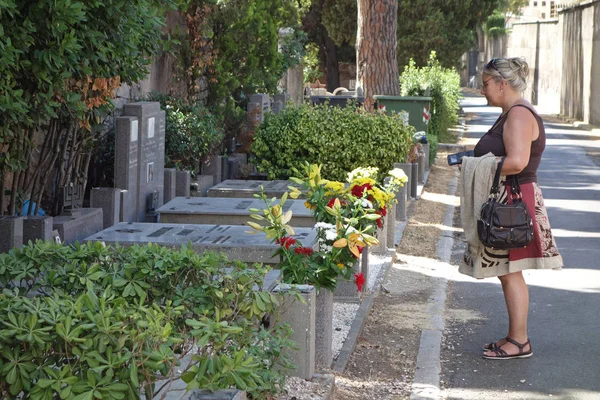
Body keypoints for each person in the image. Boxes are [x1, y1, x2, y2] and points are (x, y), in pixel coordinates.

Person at [458, 57, 563, 360]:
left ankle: (519, 341)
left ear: (502, 83)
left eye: (486, 83)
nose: (482, 89)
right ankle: (516, 337)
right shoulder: (512, 112)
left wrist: (476, 165)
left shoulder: (518, 114)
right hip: (511, 199)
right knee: (508, 271)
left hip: (512, 202)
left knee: (511, 272)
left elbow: (517, 162)